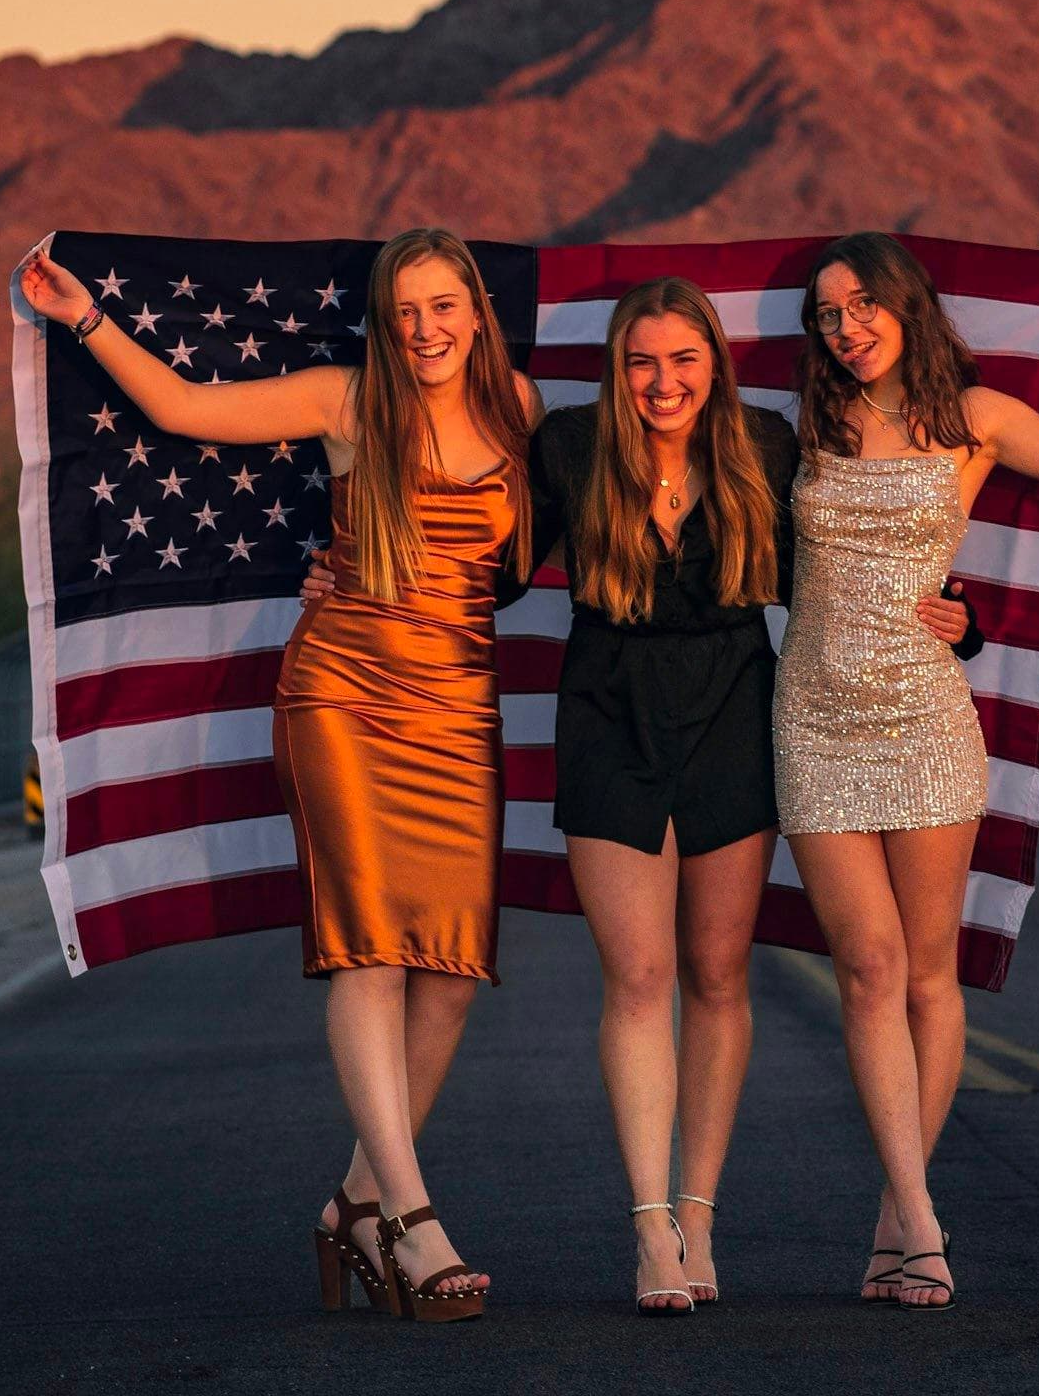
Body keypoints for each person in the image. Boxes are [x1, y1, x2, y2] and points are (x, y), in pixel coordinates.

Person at [306, 273, 980, 1313]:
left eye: (682, 359)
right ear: (619, 370)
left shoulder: (765, 443)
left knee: (716, 974)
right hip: (608, 711)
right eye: (641, 361)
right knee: (639, 975)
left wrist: (962, 618)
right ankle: (650, 1230)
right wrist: (346, 568)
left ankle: (699, 1212)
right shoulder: (570, 446)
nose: (662, 381)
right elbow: (487, 565)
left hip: (732, 712)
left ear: (713, 361)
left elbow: (844, 570)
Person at [20, 228, 541, 1326]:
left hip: (459, 706)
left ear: (478, 311)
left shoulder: (522, 410)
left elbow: (551, 545)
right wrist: (85, 317)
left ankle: (355, 1198)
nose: (425, 327)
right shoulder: (348, 399)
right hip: (343, 693)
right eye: (405, 309)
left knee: (450, 968)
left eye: (444, 304)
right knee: (371, 946)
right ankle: (409, 1216)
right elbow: (183, 408)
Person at [773, 233, 1039, 1311]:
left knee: (928, 974)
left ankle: (903, 1216)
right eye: (824, 314)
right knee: (866, 966)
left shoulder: (974, 418)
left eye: (859, 305)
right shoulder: (805, 421)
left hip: (927, 720)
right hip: (811, 719)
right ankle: (920, 1212)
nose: (844, 327)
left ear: (905, 303)